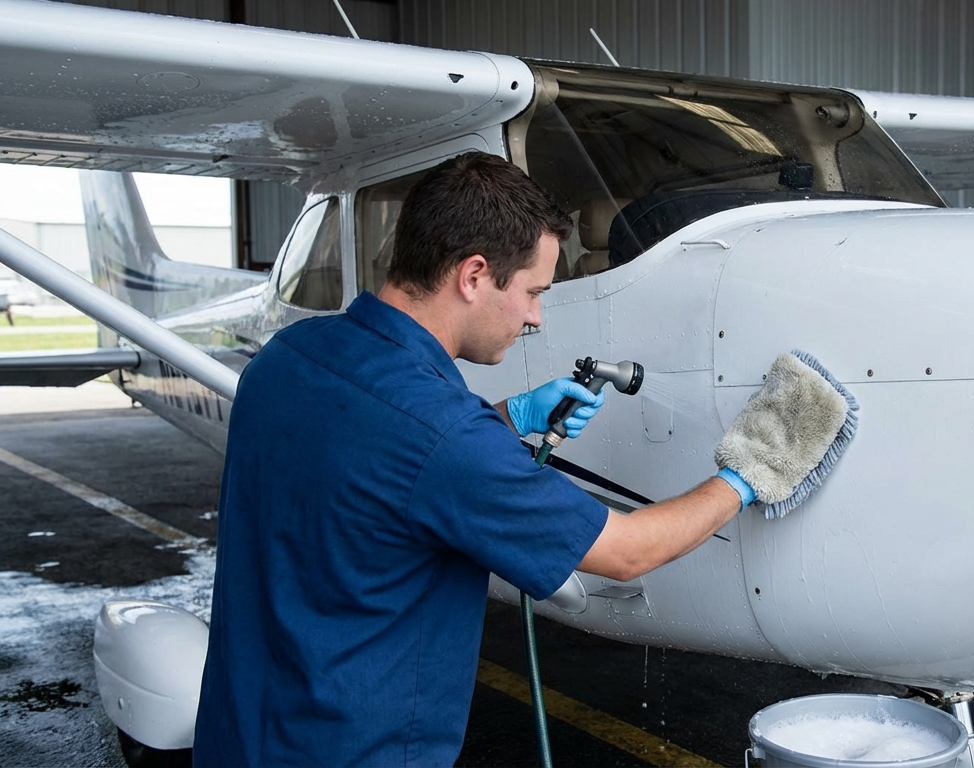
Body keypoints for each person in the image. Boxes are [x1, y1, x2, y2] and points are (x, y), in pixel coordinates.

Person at [192, 152, 760, 767]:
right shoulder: (444, 435)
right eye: (533, 291)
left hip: (239, 736)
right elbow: (626, 552)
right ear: (473, 275)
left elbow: (371, 462)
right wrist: (748, 472)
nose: (537, 316)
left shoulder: (289, 356)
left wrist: (507, 418)